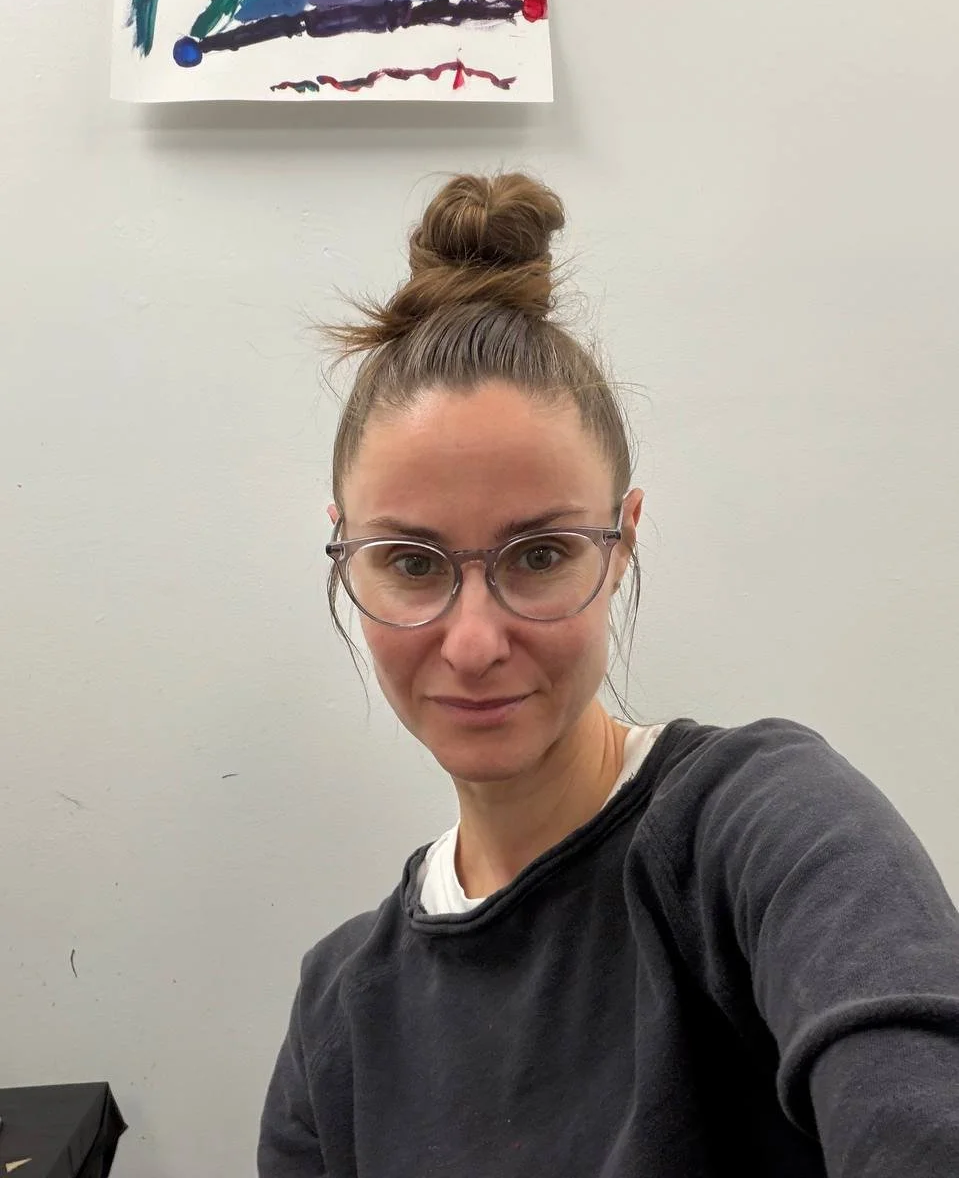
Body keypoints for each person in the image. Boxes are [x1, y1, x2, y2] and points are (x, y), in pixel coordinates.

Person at [258, 173, 959, 1177]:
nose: (471, 641)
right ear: (344, 553)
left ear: (619, 541)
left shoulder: (764, 829)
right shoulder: (339, 1009)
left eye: (539, 554)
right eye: (411, 562)